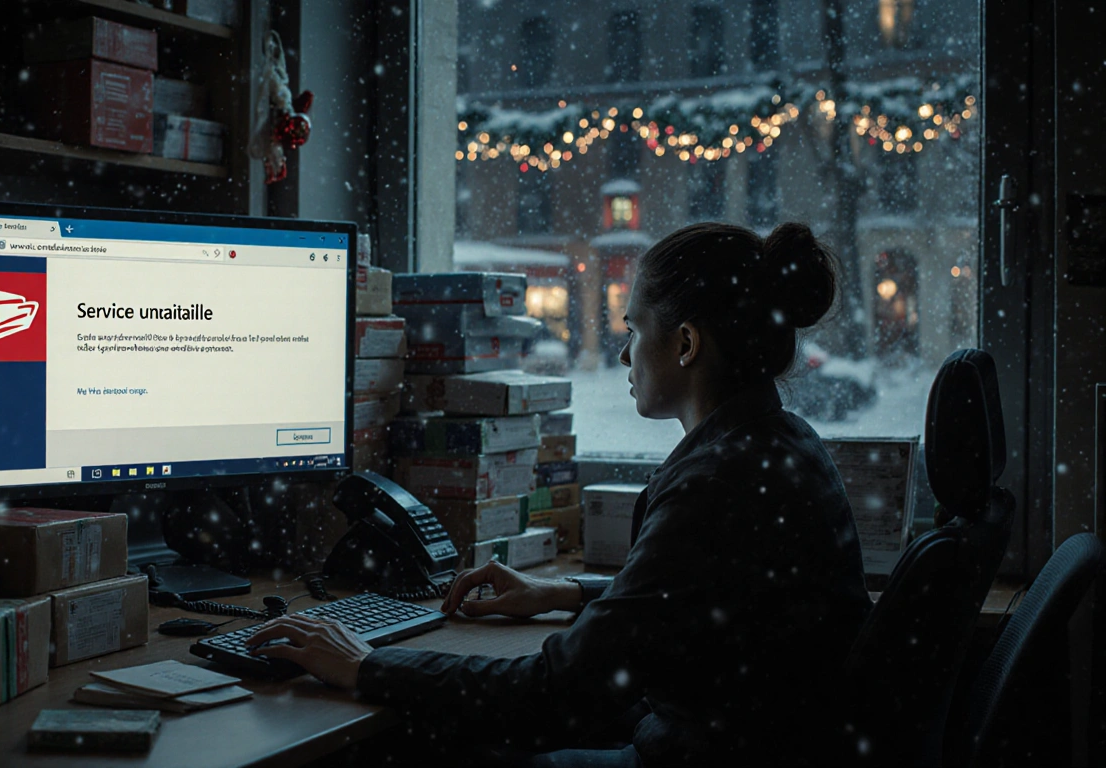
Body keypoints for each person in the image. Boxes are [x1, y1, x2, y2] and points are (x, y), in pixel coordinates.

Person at [248, 222, 873, 766]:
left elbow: (553, 693)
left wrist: (364, 664)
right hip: (739, 746)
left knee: (393, 748)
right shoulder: (779, 441)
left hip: (689, 754)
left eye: (634, 329)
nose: (625, 351)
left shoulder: (717, 480)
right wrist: (568, 593)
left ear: (685, 344)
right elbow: (700, 601)